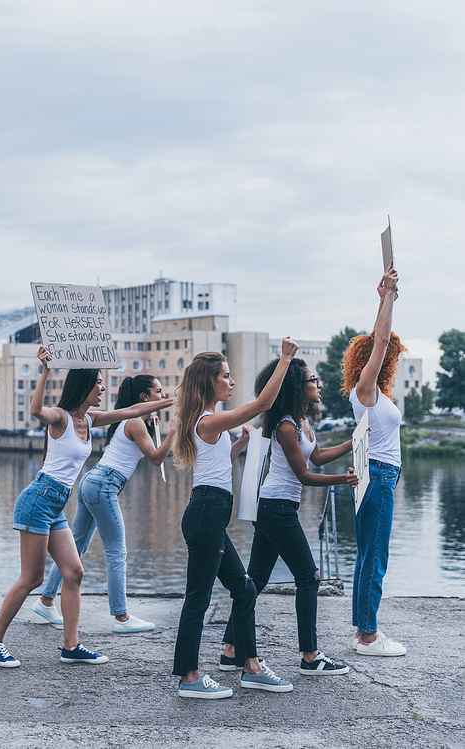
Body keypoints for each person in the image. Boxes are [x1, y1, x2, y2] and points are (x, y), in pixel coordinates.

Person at [0, 346, 172, 668]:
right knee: (32, 578)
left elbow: (132, 410)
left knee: (74, 572)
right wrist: (45, 370)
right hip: (38, 500)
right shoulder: (61, 418)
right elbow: (37, 410)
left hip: (55, 506)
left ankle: (71, 646)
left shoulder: (90, 420)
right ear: (84, 386)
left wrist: (172, 402)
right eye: (98, 383)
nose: (102, 388)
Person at [172, 338, 299, 699]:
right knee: (198, 598)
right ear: (209, 382)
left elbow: (216, 468)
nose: (230, 382)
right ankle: (190, 677)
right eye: (225, 376)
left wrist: (239, 447)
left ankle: (251, 667)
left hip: (210, 512)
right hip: (207, 514)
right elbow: (262, 404)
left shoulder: (207, 423)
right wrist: (285, 360)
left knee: (243, 590)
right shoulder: (209, 420)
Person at [221, 358, 358, 676]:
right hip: (276, 508)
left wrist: (354, 443)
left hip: (276, 508)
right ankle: (310, 657)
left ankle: (230, 650)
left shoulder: (301, 422)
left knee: (253, 583)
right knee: (309, 578)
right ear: (298, 386)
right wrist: (344, 480)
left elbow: (318, 456)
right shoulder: (285, 425)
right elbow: (305, 475)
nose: (319, 384)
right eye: (314, 379)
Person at [32, 375, 176, 634]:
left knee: (76, 544)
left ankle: (46, 600)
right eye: (159, 392)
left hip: (93, 481)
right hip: (103, 485)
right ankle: (122, 617)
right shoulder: (134, 422)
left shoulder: (130, 421)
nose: (163, 396)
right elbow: (156, 458)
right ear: (145, 397)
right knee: (116, 551)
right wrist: (174, 430)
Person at [341, 263, 407, 656]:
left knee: (367, 556)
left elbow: (379, 339)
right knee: (375, 558)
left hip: (377, 477)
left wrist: (385, 299)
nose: (390, 360)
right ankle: (368, 636)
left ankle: (362, 629)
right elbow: (379, 340)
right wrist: (387, 297)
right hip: (378, 478)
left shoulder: (373, 395)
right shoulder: (363, 391)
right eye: (386, 356)